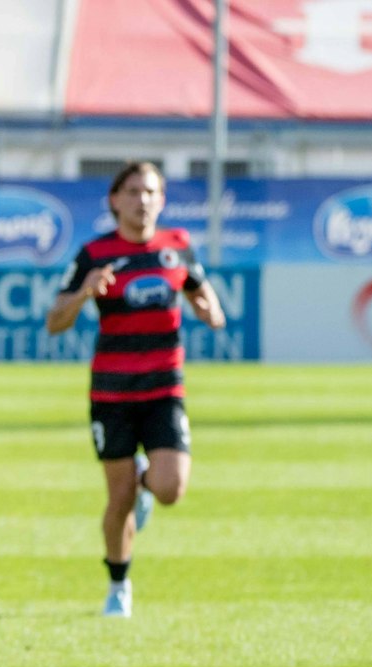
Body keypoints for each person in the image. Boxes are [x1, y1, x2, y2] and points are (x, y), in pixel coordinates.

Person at [46, 160, 225, 618]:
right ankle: (118, 586)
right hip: (112, 392)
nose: (141, 200)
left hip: (164, 385)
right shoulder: (95, 253)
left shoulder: (178, 247)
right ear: (114, 200)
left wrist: (209, 310)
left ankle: (148, 483)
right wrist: (85, 292)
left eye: (150, 192)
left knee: (170, 488)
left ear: (161, 200)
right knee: (118, 496)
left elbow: (204, 297)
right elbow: (54, 322)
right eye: (132, 191)